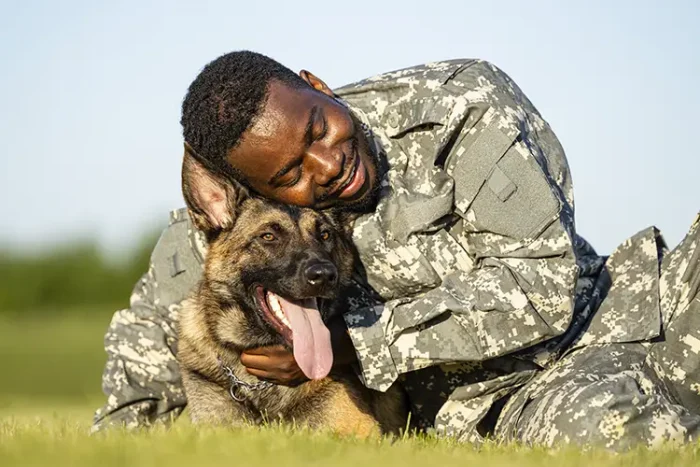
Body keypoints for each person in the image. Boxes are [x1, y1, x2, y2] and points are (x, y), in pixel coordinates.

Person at [93, 51, 700, 450]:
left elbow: (544, 285)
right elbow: (158, 328)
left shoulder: (460, 106)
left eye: (317, 129)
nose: (329, 164)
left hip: (631, 309)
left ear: (317, 86)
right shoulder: (235, 224)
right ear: (246, 191)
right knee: (626, 436)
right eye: (291, 177)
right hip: (526, 390)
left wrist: (354, 344)